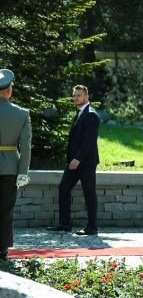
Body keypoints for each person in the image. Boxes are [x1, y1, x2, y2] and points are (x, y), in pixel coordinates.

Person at [48, 85, 99, 235]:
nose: (76, 98)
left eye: (79, 95)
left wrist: (78, 158)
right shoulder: (79, 113)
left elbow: (89, 141)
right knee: (63, 188)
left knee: (89, 193)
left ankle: (92, 227)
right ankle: (64, 224)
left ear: (86, 97)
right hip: (73, 163)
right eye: (74, 95)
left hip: (86, 162)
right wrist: (71, 159)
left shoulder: (91, 114)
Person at [0, 69, 31, 261]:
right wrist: (23, 172)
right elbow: (25, 146)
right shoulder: (22, 114)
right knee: (5, 211)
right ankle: (2, 250)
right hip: (10, 168)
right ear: (9, 90)